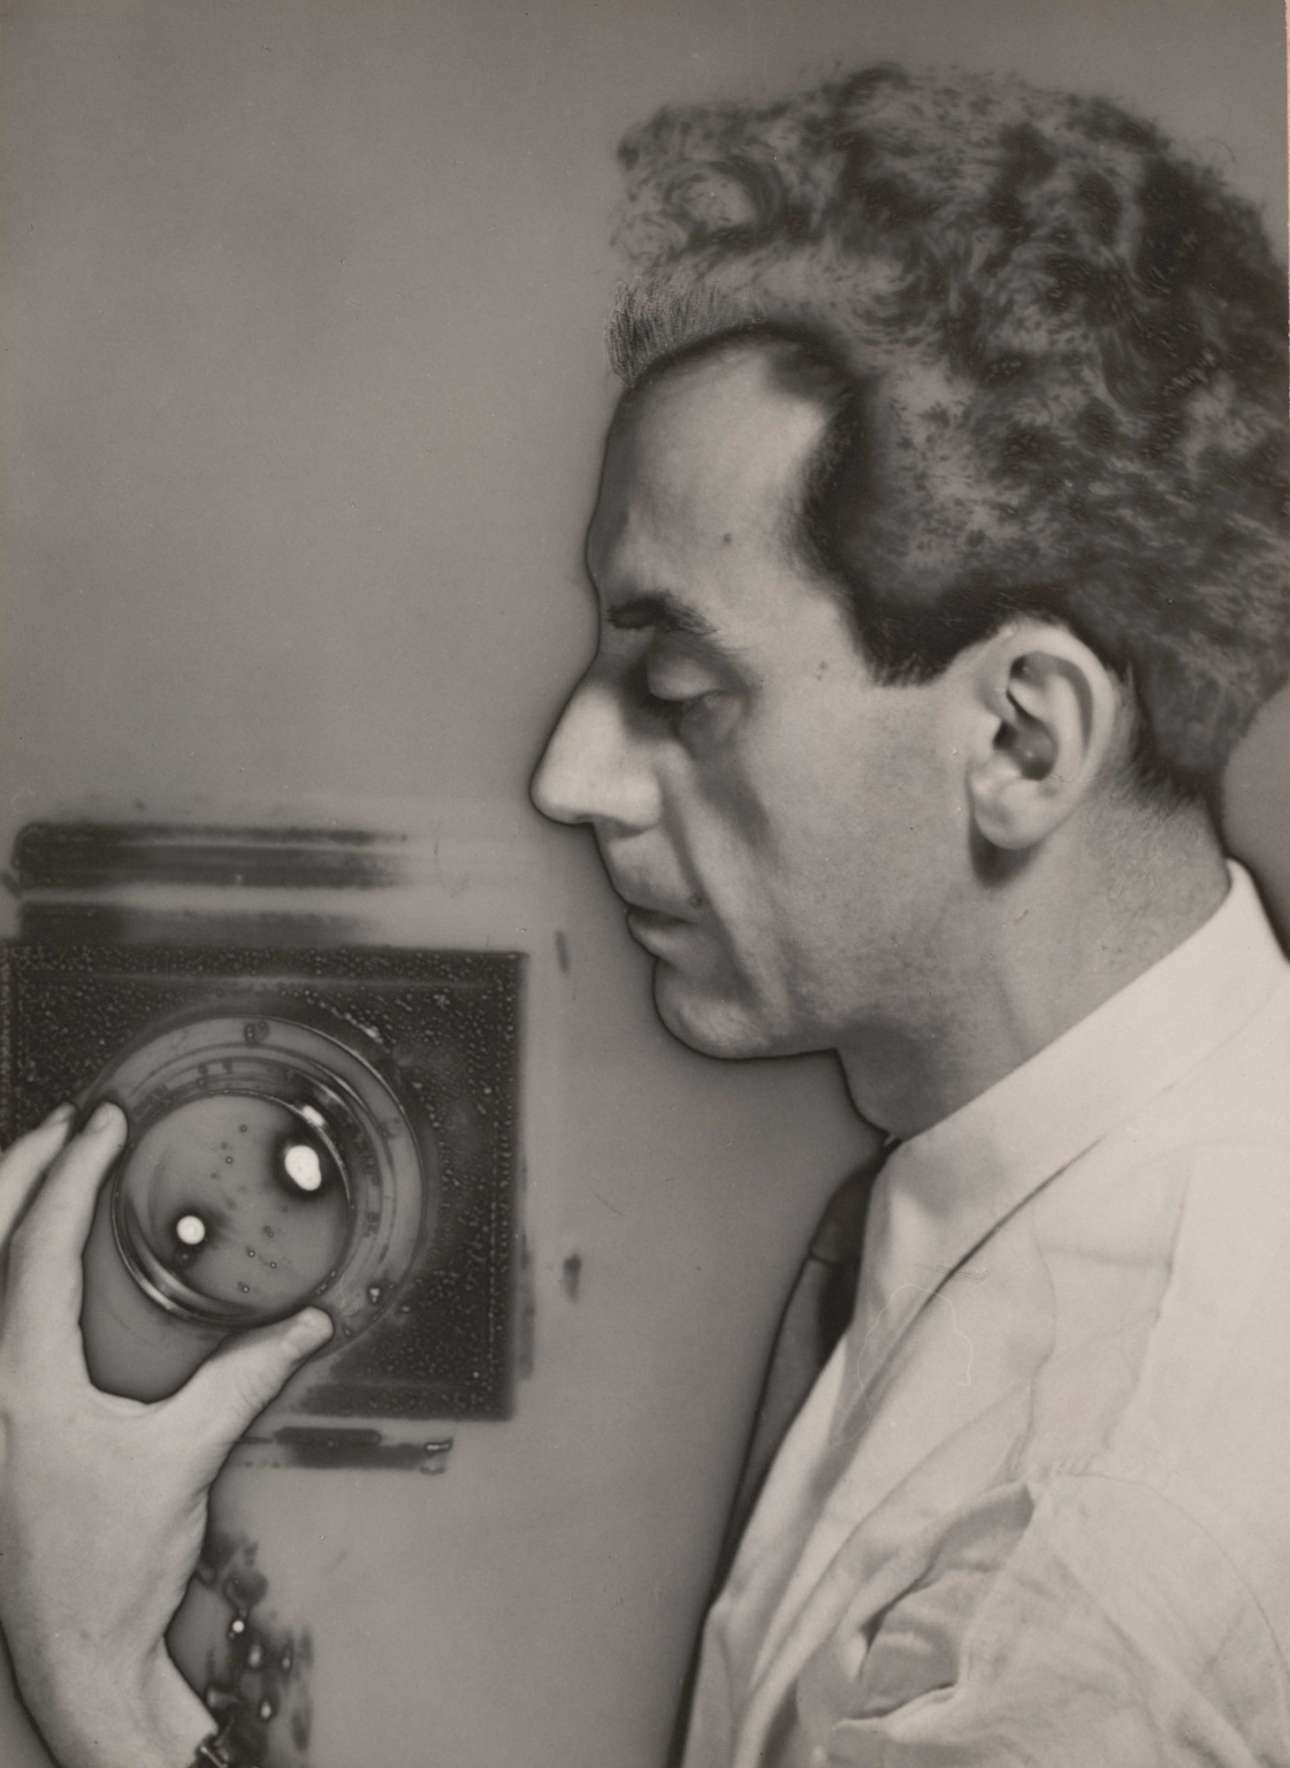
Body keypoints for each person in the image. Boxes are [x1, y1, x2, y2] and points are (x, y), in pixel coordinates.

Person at [1, 60, 1287, 1768]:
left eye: (679, 693)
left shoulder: (1077, 1567)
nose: (567, 775)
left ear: (1020, 739)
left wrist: (93, 1662)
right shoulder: (1089, 1182)